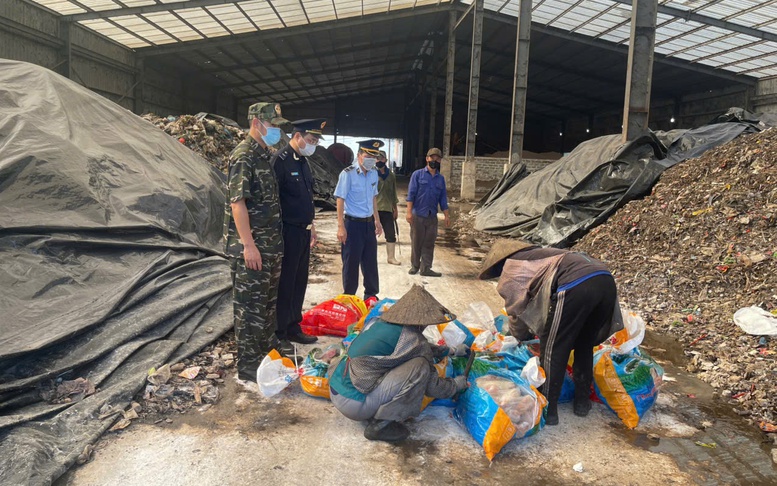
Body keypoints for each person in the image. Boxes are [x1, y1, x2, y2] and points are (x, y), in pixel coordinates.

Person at [477, 239, 624, 426]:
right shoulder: (542, 255)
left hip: (576, 285)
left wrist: (519, 336)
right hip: (606, 282)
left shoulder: (513, 266)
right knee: (584, 344)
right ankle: (582, 402)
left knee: (553, 347)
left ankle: (549, 408)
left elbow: (517, 309)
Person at [328, 284, 468, 442]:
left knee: (414, 361)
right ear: (420, 323)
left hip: (337, 390)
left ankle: (375, 410)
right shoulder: (413, 339)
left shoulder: (378, 323)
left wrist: (451, 351)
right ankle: (382, 425)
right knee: (420, 366)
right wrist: (455, 385)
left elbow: (411, 348)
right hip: (355, 403)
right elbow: (432, 385)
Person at [223, 102, 293, 382]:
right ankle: (249, 365)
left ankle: (266, 349)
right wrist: (248, 245)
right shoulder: (244, 156)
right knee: (249, 307)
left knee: (266, 304)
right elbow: (237, 203)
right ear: (256, 123)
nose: (276, 130)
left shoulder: (264, 155)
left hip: (270, 246)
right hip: (253, 248)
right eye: (273, 125)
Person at [271, 119, 326, 346]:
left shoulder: (303, 162)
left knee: (299, 281)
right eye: (311, 140)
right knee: (285, 282)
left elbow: (306, 197)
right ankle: (280, 332)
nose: (313, 145)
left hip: (303, 231)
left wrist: (311, 225)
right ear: (297, 137)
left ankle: (294, 326)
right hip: (288, 232)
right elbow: (273, 201)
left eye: (315, 141)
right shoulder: (280, 162)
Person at [334, 139, 384, 303]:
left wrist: (377, 220)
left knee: (370, 262)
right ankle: (349, 297)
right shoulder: (347, 174)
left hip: (368, 224)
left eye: (374, 156)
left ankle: (371, 296)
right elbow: (340, 200)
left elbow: (373, 198)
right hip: (352, 225)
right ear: (359, 155)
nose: (371, 158)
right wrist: (341, 227)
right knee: (351, 263)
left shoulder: (374, 173)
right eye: (368, 155)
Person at [406, 148, 450, 277]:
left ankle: (426, 268)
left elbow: (443, 198)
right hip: (418, 215)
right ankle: (415, 266)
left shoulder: (440, 179)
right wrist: (409, 212)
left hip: (432, 216)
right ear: (427, 158)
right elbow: (411, 195)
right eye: (432, 158)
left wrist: (447, 215)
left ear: (440, 160)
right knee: (416, 241)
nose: (434, 160)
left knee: (429, 243)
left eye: (437, 158)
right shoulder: (417, 175)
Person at [375, 150, 400, 266]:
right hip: (374, 210)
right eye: (377, 158)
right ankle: (369, 258)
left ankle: (391, 257)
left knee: (390, 234)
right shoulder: (371, 174)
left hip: (387, 209)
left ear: (385, 160)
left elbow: (393, 193)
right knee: (371, 235)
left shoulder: (391, 175)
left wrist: (395, 208)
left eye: (381, 158)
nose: (379, 160)